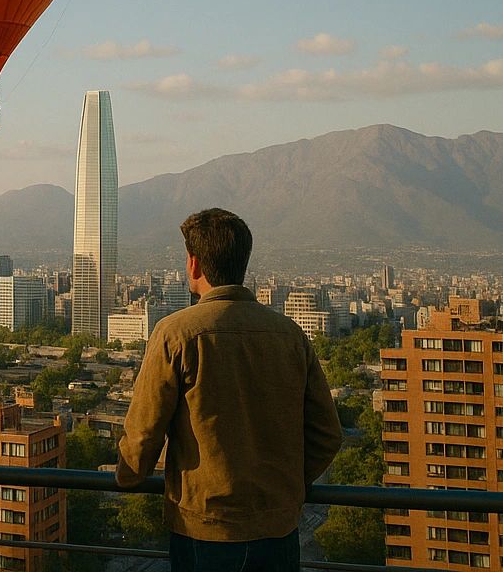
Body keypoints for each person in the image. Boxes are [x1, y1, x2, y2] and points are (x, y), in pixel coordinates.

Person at [117, 208, 343, 571]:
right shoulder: (290, 336)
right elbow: (328, 435)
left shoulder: (176, 333)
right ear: (243, 264)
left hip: (205, 531)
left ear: (194, 264)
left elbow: (143, 435)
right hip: (278, 532)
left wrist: (127, 479)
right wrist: (284, 488)